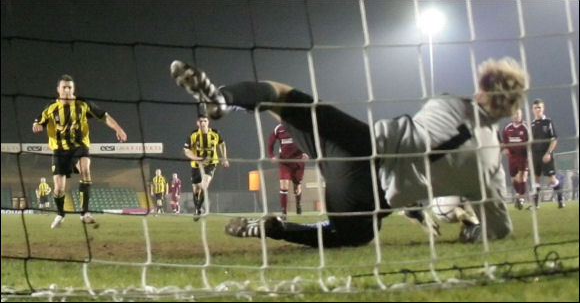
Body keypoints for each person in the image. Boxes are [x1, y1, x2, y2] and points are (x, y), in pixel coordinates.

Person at [170, 57, 528, 247]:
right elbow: (500, 229)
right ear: (512, 110)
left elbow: (433, 137)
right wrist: (473, 227)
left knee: (279, 97)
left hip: (357, 145)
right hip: (368, 198)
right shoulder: (491, 162)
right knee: (352, 237)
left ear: (481, 91)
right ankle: (276, 229)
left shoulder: (449, 101)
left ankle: (223, 99)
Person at [33, 74, 127, 229]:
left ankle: (84, 213)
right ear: (58, 89)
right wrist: (36, 126)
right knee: (59, 188)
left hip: (80, 146)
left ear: (74, 89)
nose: (67, 90)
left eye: (70, 87)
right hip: (59, 150)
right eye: (64, 87)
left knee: (85, 170)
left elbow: (104, 116)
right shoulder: (51, 108)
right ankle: (60, 214)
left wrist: (118, 128)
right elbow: (38, 122)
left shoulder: (83, 104)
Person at [183, 115, 229, 221]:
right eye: (201, 121)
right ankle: (197, 208)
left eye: (205, 121)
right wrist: (196, 158)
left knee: (204, 185)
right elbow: (186, 150)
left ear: (208, 122)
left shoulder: (215, 133)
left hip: (211, 163)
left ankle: (198, 210)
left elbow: (222, 144)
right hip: (196, 165)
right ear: (197, 123)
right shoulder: (193, 135)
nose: (203, 123)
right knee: (196, 189)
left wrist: (224, 158)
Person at [267, 123, 308, 219]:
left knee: (296, 188)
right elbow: (270, 143)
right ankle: (284, 213)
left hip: (298, 162)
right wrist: (272, 156)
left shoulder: (300, 127)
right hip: (284, 162)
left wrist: (306, 153)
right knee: (284, 187)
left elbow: (308, 141)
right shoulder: (278, 128)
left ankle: (298, 204)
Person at [530, 99, 564, 209]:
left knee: (551, 179)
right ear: (532, 110)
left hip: (546, 155)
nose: (537, 110)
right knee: (535, 179)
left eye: (539, 107)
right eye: (535, 108)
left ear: (543, 108)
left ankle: (560, 199)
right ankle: (535, 204)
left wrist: (548, 153)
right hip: (535, 156)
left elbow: (554, 139)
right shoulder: (532, 124)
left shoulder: (548, 122)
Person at [501, 109, 529, 210]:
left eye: (518, 113)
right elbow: (503, 141)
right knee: (513, 178)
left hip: (523, 156)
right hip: (512, 158)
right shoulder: (507, 128)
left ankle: (521, 198)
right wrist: (505, 149)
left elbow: (531, 141)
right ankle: (518, 194)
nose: (516, 116)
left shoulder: (525, 127)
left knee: (522, 176)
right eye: (514, 114)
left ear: (522, 115)